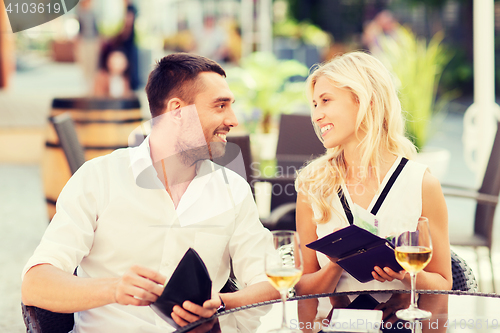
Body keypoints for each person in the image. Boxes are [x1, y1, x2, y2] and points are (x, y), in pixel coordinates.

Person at [21, 53, 279, 332]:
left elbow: (270, 282)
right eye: (220, 106)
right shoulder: (98, 178)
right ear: (178, 111)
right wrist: (114, 288)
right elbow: (36, 285)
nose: (233, 120)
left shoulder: (234, 190)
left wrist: (219, 305)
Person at [293, 52, 452, 322]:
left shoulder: (421, 183)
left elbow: (442, 284)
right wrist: (336, 262)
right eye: (315, 104)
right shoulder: (312, 184)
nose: (317, 115)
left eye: (326, 101)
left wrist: (406, 276)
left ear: (364, 101)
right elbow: (302, 289)